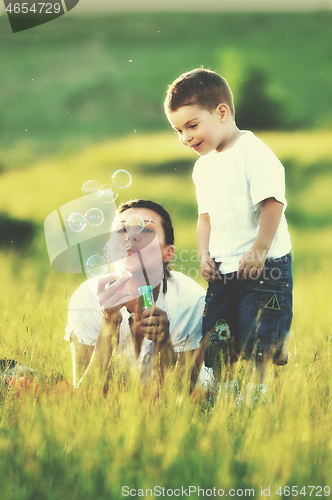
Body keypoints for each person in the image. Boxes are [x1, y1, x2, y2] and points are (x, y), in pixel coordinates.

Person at [164, 68, 293, 386]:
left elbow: (272, 203)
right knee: (217, 333)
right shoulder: (203, 167)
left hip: (264, 267)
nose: (186, 137)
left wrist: (259, 249)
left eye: (192, 125)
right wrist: (205, 254)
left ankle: (256, 395)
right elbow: (205, 216)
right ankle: (218, 394)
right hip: (223, 267)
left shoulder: (254, 154)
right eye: (179, 131)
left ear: (221, 112)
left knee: (256, 335)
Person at [65, 199, 207, 393]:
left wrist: (163, 342)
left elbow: (181, 396)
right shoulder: (85, 299)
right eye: (122, 231)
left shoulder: (190, 300)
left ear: (168, 252)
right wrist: (108, 323)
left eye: (146, 230)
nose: (131, 237)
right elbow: (84, 397)